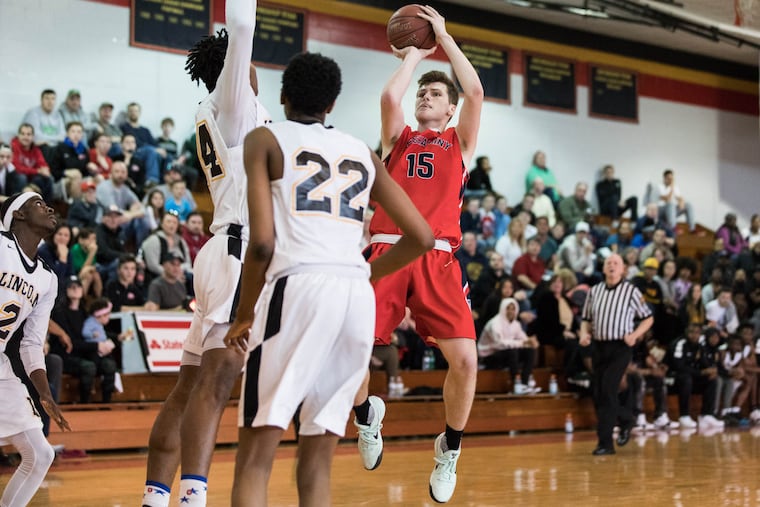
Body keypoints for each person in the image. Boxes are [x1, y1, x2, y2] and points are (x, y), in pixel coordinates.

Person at [222, 52, 433, 507]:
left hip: (297, 285)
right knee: (317, 460)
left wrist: (242, 317)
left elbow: (260, 244)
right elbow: (420, 235)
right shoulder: (362, 150)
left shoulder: (265, 138)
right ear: (332, 105)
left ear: (282, 97)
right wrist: (364, 271)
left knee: (255, 456)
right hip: (355, 295)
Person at [142, 2, 273, 505]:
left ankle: (157, 496)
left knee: (189, 386)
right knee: (215, 386)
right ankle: (192, 496)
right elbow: (241, 24)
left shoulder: (219, 112)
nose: (253, 66)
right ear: (237, 69)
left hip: (221, 251)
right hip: (236, 253)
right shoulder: (233, 103)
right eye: (247, 62)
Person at [351, 6, 483, 503]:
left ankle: (449, 448)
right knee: (351, 348)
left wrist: (444, 38)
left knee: (466, 362)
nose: (425, 96)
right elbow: (390, 95)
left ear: (449, 110)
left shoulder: (459, 142)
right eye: (422, 93)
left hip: (440, 257)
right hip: (387, 250)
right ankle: (367, 418)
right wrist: (411, 55)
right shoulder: (398, 138)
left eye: (434, 94)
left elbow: (476, 91)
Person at [0, 192, 70, 506]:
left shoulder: (47, 279)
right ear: (19, 215)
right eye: (38, 203)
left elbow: (30, 343)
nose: (49, 208)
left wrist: (44, 393)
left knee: (40, 454)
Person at [579, 253, 653, 455]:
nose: (612, 266)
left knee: (609, 389)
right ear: (603, 269)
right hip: (599, 346)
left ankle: (605, 444)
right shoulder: (594, 291)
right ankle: (627, 419)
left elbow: (648, 318)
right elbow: (586, 319)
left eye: (616, 263)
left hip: (620, 347)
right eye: (608, 263)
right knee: (599, 393)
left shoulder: (631, 291)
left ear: (623, 270)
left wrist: (635, 335)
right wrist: (584, 335)